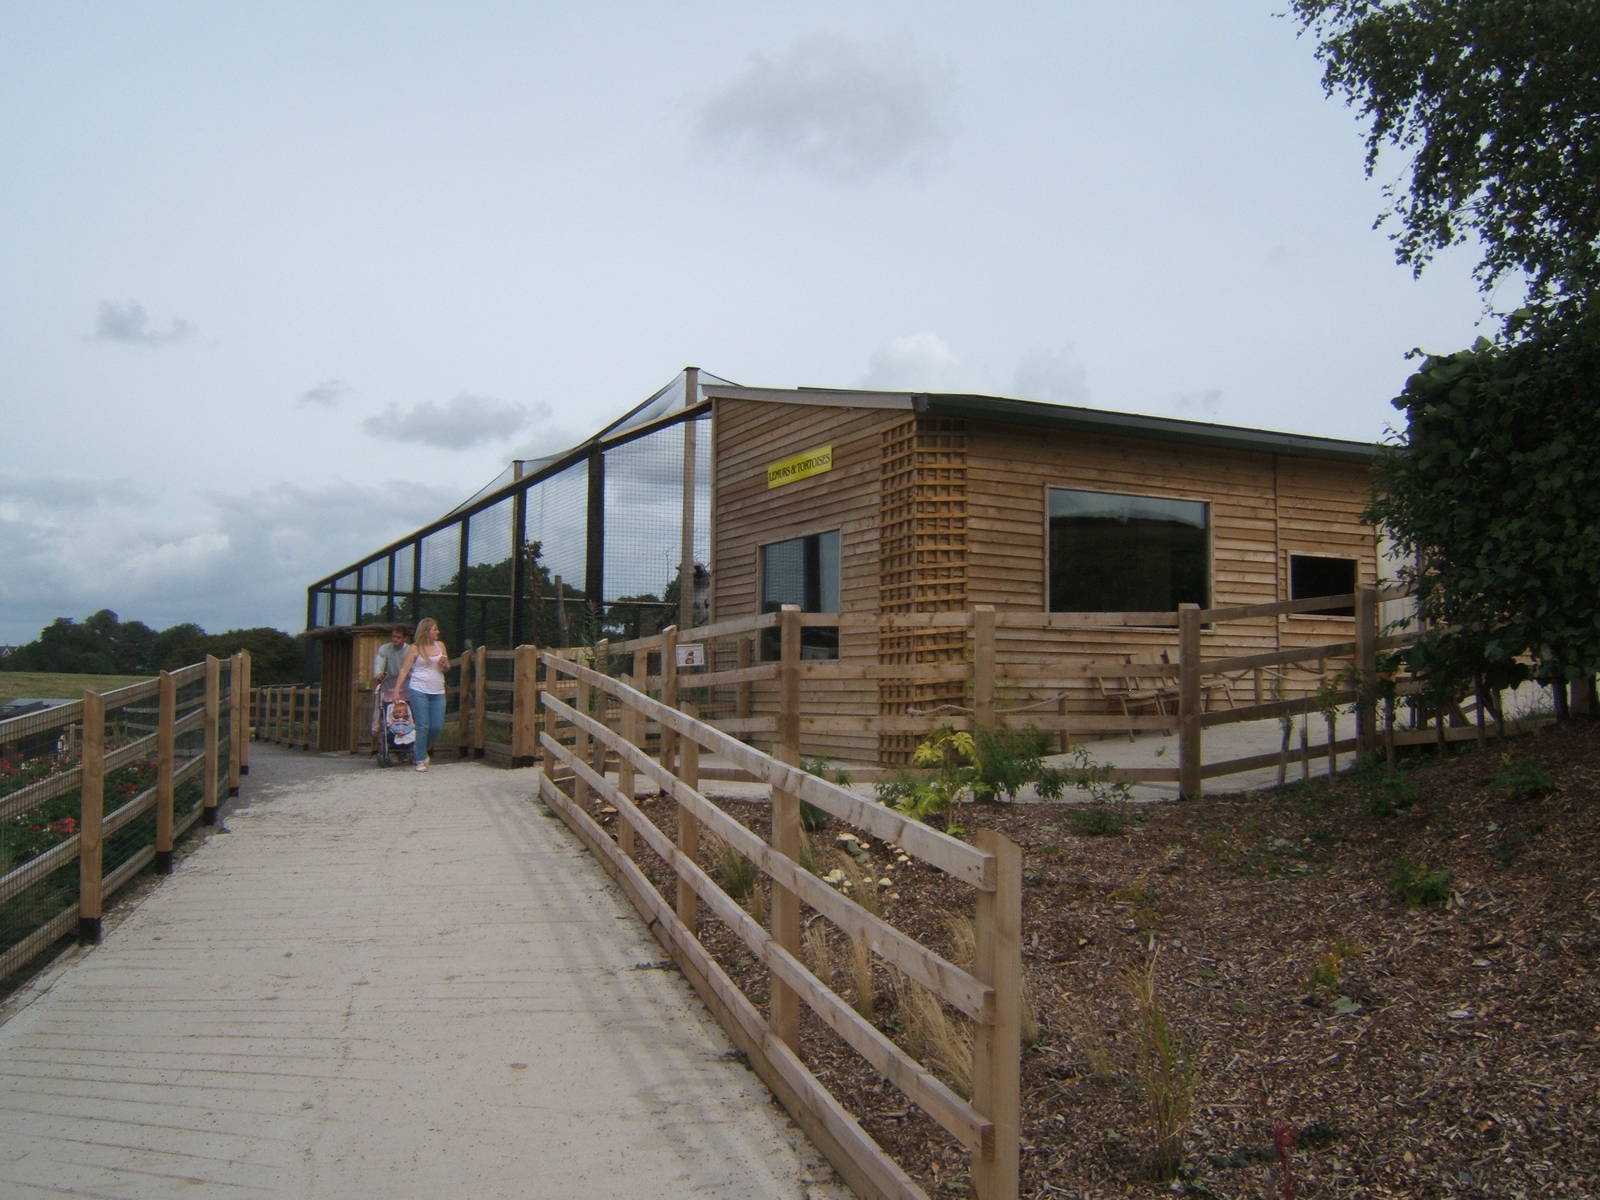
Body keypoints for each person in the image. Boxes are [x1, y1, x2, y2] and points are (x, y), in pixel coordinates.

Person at [394, 617, 449, 771]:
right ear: (426, 631)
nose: (437, 632)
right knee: (423, 725)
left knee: (436, 726)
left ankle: (421, 748)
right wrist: (397, 690)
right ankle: (419, 759)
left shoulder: (441, 646)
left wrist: (444, 665)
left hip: (438, 690)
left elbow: (446, 666)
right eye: (435, 629)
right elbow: (405, 670)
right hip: (419, 689)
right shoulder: (415, 648)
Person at [371, 625, 410, 739]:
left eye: (398, 637)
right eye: (393, 637)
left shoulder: (409, 650)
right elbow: (379, 662)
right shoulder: (385, 649)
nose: (395, 640)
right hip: (388, 684)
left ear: (404, 638)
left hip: (405, 685)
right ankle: (377, 732)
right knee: (380, 709)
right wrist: (379, 672)